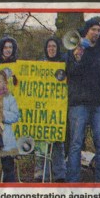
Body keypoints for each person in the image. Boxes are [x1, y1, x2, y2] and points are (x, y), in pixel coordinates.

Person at [65, 18, 100, 182]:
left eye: (98, 30)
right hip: (79, 103)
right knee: (75, 145)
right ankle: (72, 181)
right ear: (86, 31)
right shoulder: (75, 48)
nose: (96, 32)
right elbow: (70, 73)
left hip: (99, 103)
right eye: (93, 29)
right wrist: (77, 59)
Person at [40, 36, 67, 182]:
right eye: (49, 46)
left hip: (57, 108)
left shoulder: (63, 64)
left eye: (54, 47)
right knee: (41, 141)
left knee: (57, 140)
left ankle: (59, 174)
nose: (51, 49)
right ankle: (41, 174)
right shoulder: (40, 64)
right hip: (43, 108)